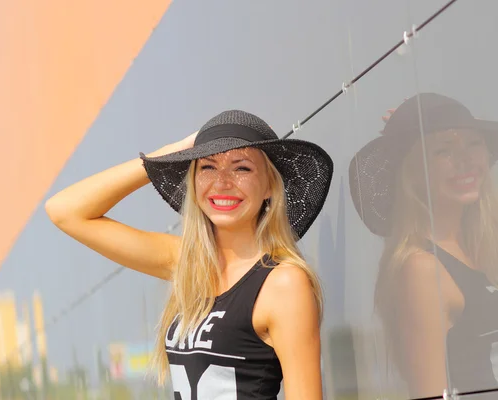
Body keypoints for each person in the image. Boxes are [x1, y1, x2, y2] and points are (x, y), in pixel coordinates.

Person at [45, 110, 333, 399]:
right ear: (193, 180)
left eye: (241, 168)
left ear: (270, 185)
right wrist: (166, 155)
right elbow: (65, 211)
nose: (222, 182)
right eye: (208, 167)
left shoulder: (283, 283)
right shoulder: (187, 262)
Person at [349, 93, 498, 399]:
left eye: (473, 143)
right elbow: (429, 393)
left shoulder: (481, 246)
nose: (465, 160)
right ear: (413, 172)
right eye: (444, 151)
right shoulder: (422, 269)